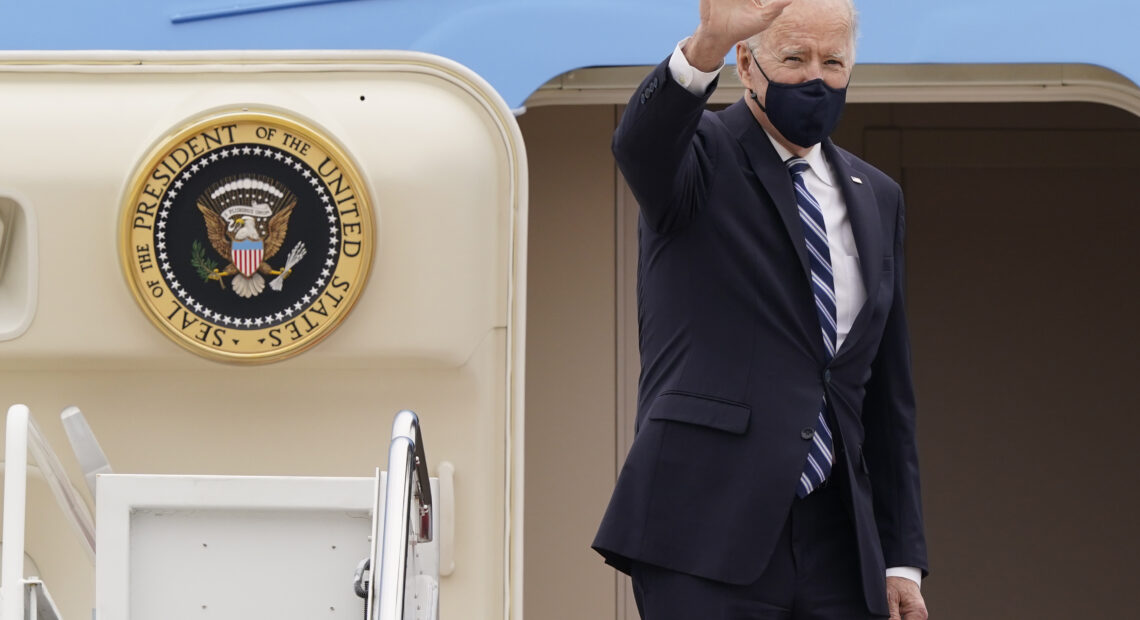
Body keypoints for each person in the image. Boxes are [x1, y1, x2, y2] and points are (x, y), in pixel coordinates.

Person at [592, 0, 929, 618]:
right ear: (747, 65)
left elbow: (886, 394)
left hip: (838, 537)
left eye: (833, 62)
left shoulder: (878, 196)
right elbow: (639, 145)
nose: (815, 79)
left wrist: (900, 557)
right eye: (794, 59)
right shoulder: (701, 157)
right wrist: (705, 45)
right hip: (705, 527)